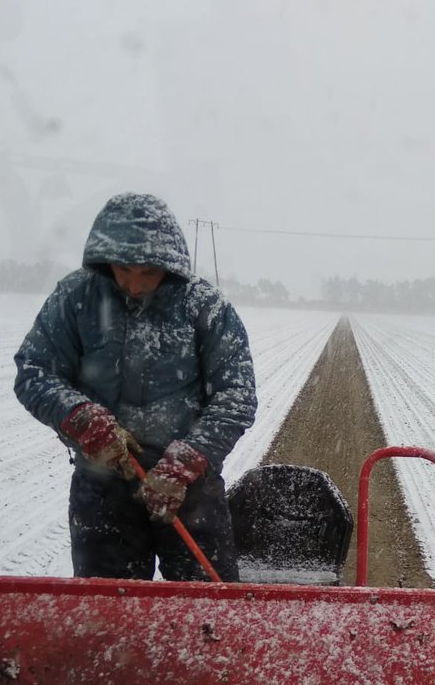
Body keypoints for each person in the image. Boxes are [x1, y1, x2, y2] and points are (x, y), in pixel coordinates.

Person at [14, 192, 257, 582]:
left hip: (190, 490)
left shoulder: (205, 307)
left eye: (148, 272)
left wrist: (186, 463)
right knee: (107, 616)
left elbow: (236, 395)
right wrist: (79, 419)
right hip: (102, 486)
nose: (135, 285)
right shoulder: (76, 298)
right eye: (124, 270)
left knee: (207, 615)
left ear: (170, 265)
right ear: (104, 258)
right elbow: (34, 371)